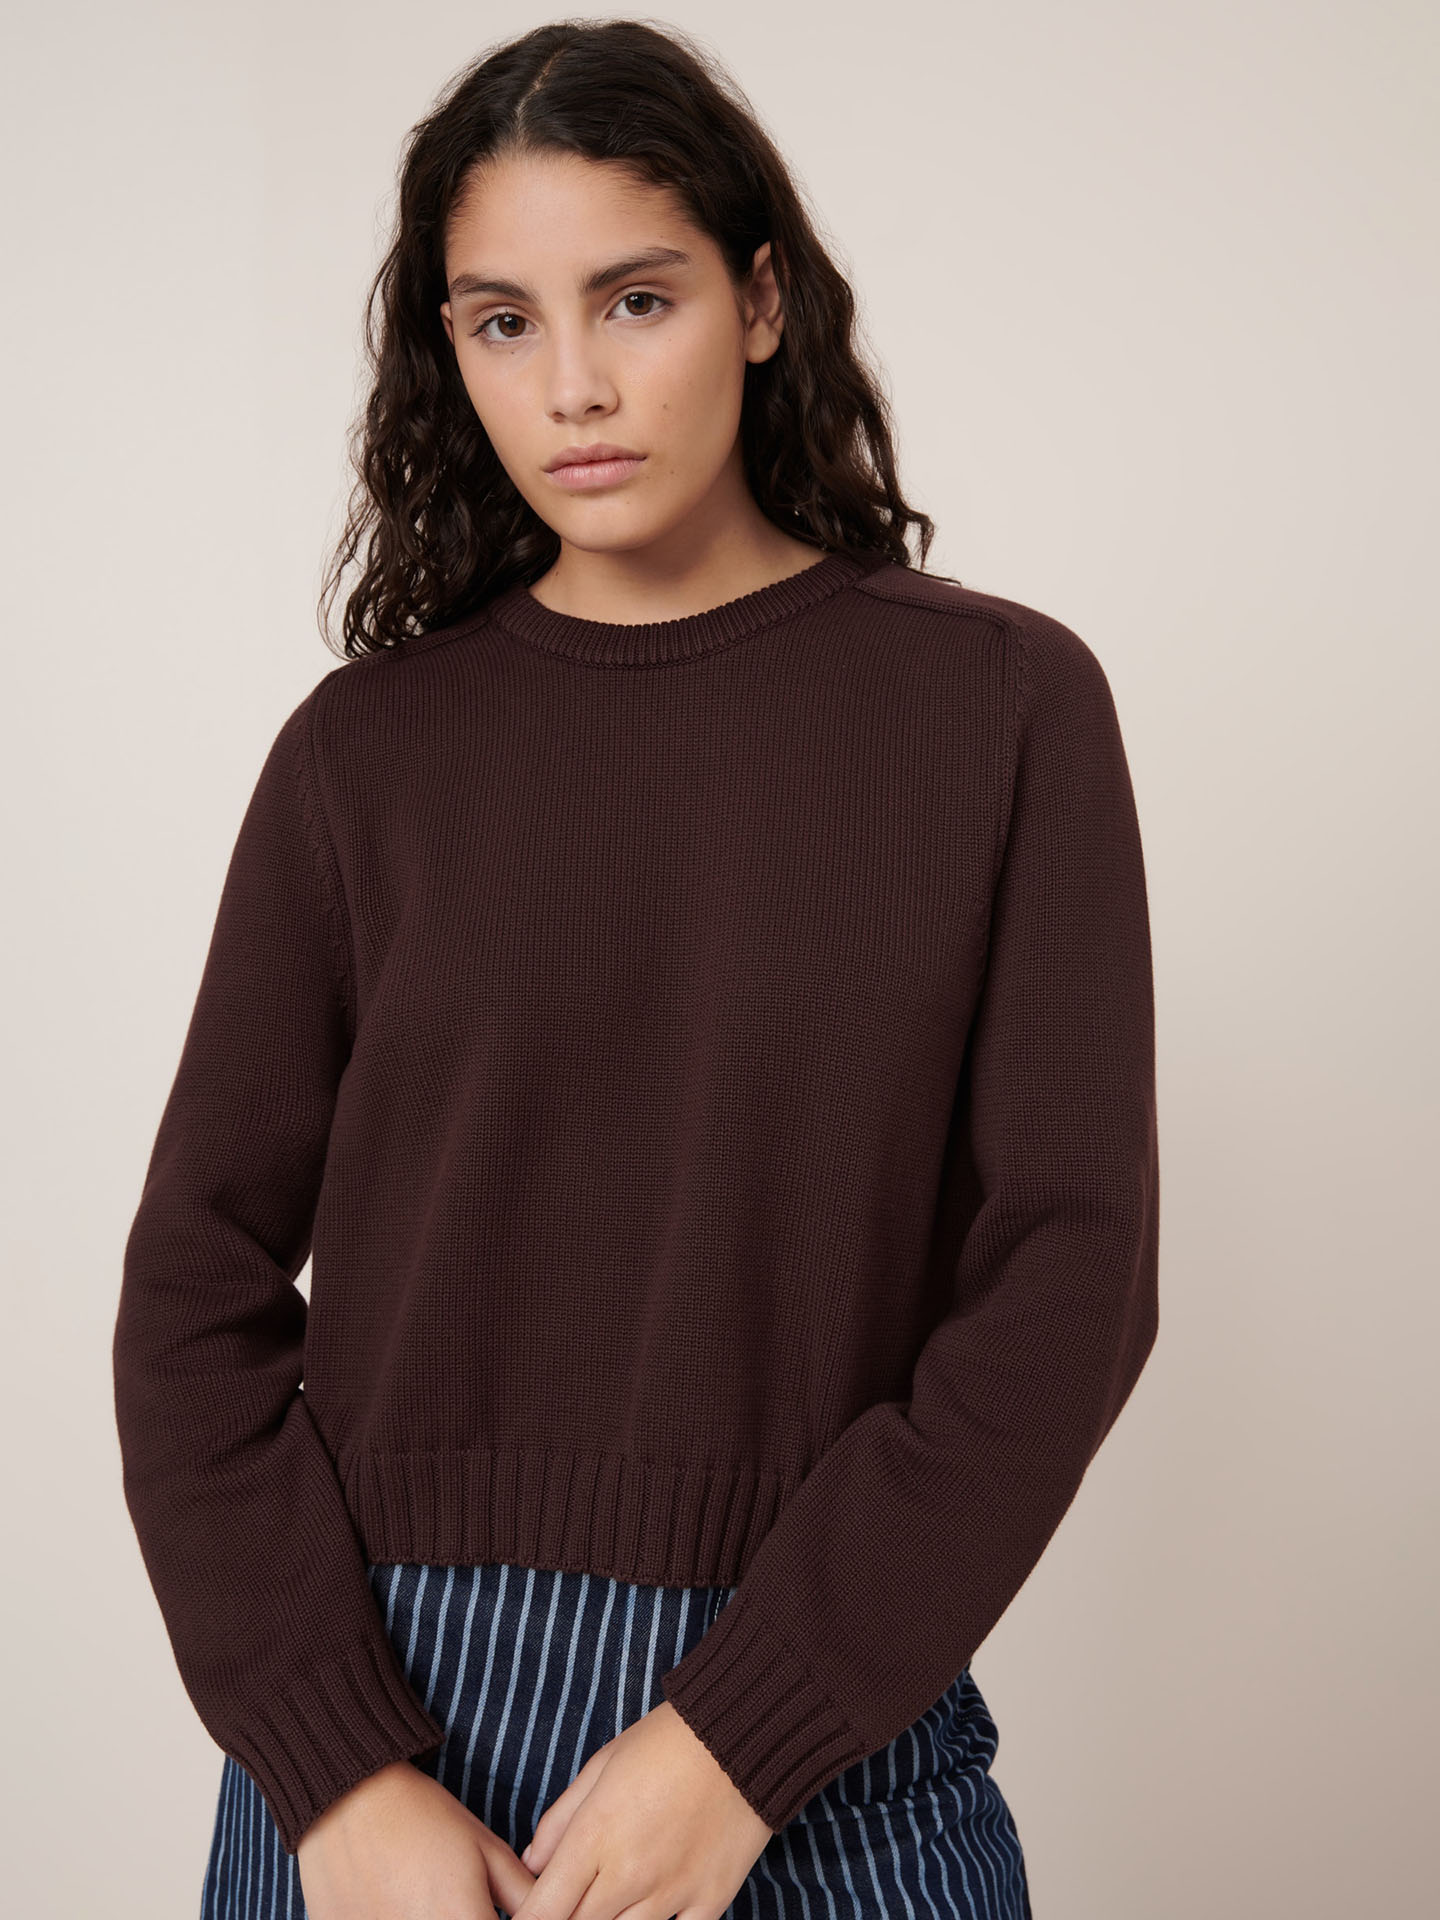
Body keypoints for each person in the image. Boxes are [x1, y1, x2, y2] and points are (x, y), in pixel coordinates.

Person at [113, 18, 1160, 1920]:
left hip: (818, 1742)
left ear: (761, 302)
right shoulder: (369, 755)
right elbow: (190, 1292)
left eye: (638, 298)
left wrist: (746, 1737)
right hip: (374, 1749)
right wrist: (336, 1774)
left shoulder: (1000, 711)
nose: (575, 384)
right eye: (501, 321)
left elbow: (1071, 1280)